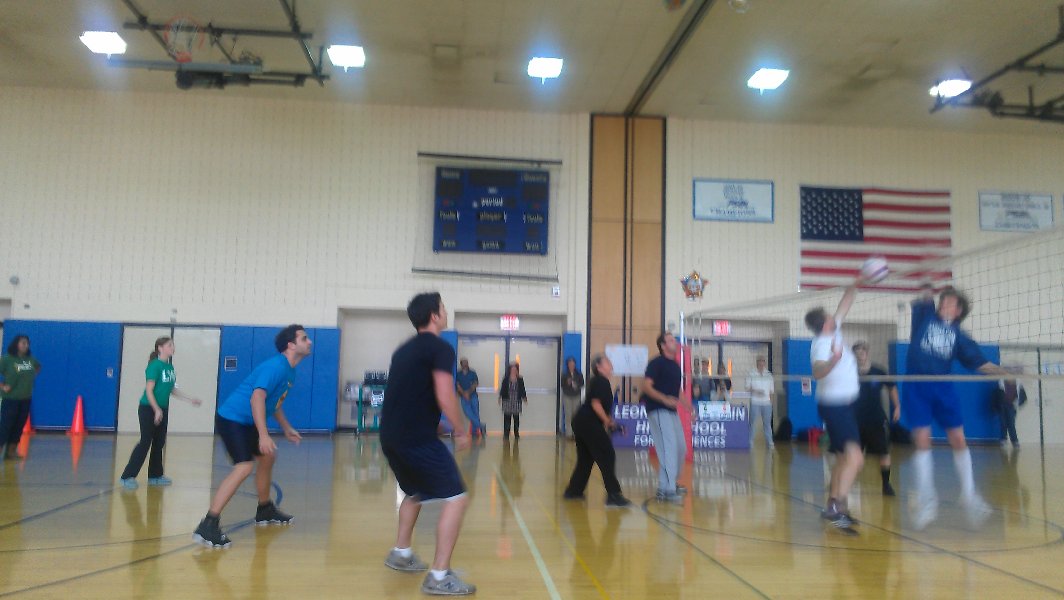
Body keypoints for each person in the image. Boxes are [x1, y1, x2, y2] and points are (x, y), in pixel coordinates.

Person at [380, 292, 475, 596]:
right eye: (443, 308)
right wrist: (461, 429)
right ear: (434, 315)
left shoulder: (403, 350)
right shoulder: (440, 348)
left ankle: (402, 553)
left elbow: (408, 393)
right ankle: (438, 575)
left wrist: (435, 422)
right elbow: (445, 394)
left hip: (392, 435)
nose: (446, 312)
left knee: (414, 492)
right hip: (415, 439)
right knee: (457, 496)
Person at [192, 324, 311, 548]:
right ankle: (208, 524)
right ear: (291, 345)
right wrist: (264, 435)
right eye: (305, 338)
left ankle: (265, 509)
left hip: (248, 421)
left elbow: (273, 403)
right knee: (244, 466)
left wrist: (286, 427)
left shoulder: (290, 370)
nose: (310, 342)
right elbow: (256, 398)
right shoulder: (276, 367)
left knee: (267, 457)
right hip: (232, 418)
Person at [906, 284, 1009, 530]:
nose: (944, 305)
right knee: (922, 439)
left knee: (958, 439)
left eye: (949, 303)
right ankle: (927, 500)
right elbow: (925, 293)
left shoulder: (960, 337)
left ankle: (969, 495)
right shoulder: (925, 316)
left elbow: (981, 364)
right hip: (917, 386)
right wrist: (929, 275)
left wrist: (1004, 371)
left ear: (959, 310)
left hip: (943, 388)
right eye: (943, 302)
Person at [805, 278, 863, 533]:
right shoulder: (821, 344)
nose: (834, 316)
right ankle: (836, 507)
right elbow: (817, 371)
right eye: (830, 316)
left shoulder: (834, 329)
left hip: (845, 406)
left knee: (842, 458)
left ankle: (833, 504)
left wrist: (858, 280)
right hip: (835, 406)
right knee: (855, 458)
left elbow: (845, 302)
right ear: (826, 322)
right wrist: (834, 361)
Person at [119, 337, 202, 489]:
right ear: (160, 348)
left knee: (159, 442)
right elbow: (149, 390)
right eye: (170, 345)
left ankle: (155, 476)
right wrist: (156, 409)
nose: (173, 348)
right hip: (148, 408)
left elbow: (172, 390)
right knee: (145, 442)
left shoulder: (170, 368)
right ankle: (127, 476)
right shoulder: (154, 366)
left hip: (162, 409)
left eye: (173, 345)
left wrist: (190, 399)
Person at [563, 354, 631, 508]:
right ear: (599, 367)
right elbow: (595, 404)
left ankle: (574, 491)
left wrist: (610, 423)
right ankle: (613, 495)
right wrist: (608, 422)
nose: (610, 362)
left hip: (582, 422)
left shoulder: (598, 381)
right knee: (607, 454)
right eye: (607, 361)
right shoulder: (601, 381)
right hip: (587, 422)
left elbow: (598, 407)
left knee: (586, 459)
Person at [641, 332, 688, 504]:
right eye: (670, 340)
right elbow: (646, 387)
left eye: (674, 339)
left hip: (671, 411)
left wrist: (689, 408)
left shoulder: (675, 366)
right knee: (668, 448)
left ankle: (666, 484)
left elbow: (678, 391)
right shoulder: (656, 363)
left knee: (680, 448)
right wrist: (664, 399)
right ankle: (668, 490)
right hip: (658, 410)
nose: (674, 342)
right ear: (662, 345)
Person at [852, 341, 900, 496]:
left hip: (876, 419)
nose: (860, 356)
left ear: (867, 353)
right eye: (857, 353)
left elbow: (891, 387)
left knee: (884, 453)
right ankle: (846, 483)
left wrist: (897, 406)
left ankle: (886, 485)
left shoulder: (878, 371)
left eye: (862, 353)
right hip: (856, 420)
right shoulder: (849, 372)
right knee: (853, 455)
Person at [0, 335, 41, 460]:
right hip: (11, 399)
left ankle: (11, 452)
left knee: (19, 426)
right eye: (23, 343)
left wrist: (30, 379)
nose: (25, 345)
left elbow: (38, 367)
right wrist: (2, 386)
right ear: (16, 344)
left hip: (25, 399)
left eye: (27, 343)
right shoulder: (7, 359)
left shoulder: (30, 360)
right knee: (6, 425)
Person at [745, 355, 775, 449]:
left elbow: (771, 391)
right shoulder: (751, 373)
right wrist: (756, 391)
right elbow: (747, 387)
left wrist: (771, 403)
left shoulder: (769, 375)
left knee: (767, 423)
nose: (761, 363)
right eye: (759, 361)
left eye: (763, 361)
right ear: (757, 362)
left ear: (764, 363)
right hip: (755, 402)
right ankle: (750, 441)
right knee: (752, 422)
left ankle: (770, 442)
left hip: (767, 403)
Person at [455, 358, 485, 437]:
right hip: (463, 397)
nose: (466, 364)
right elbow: (458, 385)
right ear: (461, 364)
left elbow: (475, 383)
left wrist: (468, 392)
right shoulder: (458, 374)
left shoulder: (472, 373)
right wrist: (464, 394)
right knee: (468, 413)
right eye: (464, 363)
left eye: (467, 363)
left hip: (473, 395)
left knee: (475, 413)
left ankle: (474, 432)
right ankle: (481, 426)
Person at [994, 372, 1025, 447]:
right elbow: (996, 397)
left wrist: (1017, 404)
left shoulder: (1018, 385)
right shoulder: (1001, 384)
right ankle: (1003, 440)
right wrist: (996, 407)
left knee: (1011, 424)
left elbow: (1023, 397)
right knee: (1003, 423)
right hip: (1002, 406)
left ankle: (1015, 441)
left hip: (1011, 407)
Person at [499, 363, 527, 440]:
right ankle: (506, 433)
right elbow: (503, 389)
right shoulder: (506, 379)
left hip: (516, 400)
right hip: (507, 400)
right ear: (510, 370)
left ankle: (516, 433)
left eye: (515, 369)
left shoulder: (520, 379)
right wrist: (500, 397)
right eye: (512, 369)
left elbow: (522, 389)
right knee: (507, 418)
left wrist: (524, 398)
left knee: (516, 418)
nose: (514, 370)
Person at [561, 357, 585, 438]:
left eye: (573, 363)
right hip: (567, 395)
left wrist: (577, 386)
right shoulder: (564, 374)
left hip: (576, 396)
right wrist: (567, 383)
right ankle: (568, 433)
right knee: (568, 415)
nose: (571, 365)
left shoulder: (579, 374)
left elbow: (582, 384)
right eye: (570, 364)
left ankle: (575, 433)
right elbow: (562, 385)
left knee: (576, 415)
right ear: (567, 365)